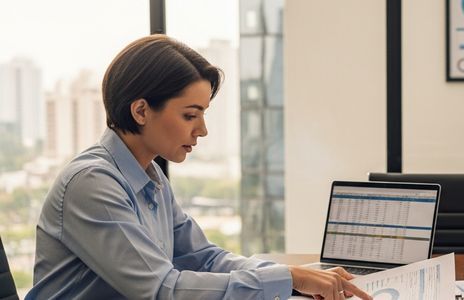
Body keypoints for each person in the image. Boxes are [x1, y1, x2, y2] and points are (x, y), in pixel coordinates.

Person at [27, 35, 371, 300]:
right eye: (190, 115)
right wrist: (290, 279)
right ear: (141, 111)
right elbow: (163, 290)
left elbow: (203, 258)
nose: (202, 130)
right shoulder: (92, 183)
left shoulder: (150, 176)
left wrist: (291, 275)